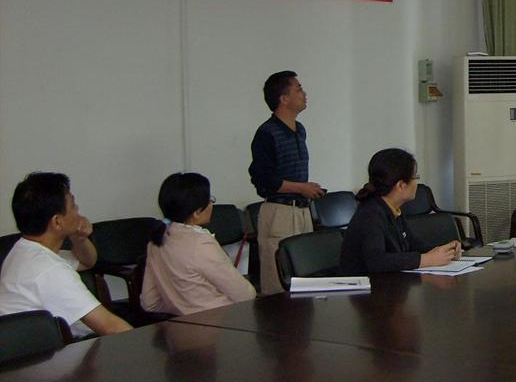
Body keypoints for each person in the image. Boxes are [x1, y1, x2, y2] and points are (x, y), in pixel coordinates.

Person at [0, 172, 131, 337]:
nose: (78, 211)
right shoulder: (50, 269)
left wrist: (78, 237)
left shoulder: (24, 250)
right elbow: (111, 327)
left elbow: (86, 262)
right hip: (49, 350)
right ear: (57, 222)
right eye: (73, 205)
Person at [249, 70, 326, 295]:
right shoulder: (267, 133)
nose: (304, 94)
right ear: (283, 99)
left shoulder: (299, 130)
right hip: (280, 212)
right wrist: (302, 188)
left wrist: (306, 190)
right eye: (299, 89)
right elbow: (264, 180)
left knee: (306, 275)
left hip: (302, 210)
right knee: (278, 281)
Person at [141, 172, 257, 316]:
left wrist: (180, 307)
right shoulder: (201, 244)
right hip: (219, 322)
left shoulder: (156, 240)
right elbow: (245, 295)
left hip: (179, 324)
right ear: (196, 213)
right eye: (210, 200)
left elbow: (149, 302)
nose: (211, 204)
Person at [338, 148, 460, 275]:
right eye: (415, 177)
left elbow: (412, 244)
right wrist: (426, 260)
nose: (417, 183)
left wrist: (445, 251)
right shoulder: (370, 214)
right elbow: (376, 261)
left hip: (389, 282)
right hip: (367, 285)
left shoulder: (393, 209)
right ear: (401, 185)